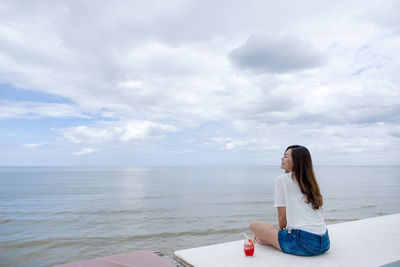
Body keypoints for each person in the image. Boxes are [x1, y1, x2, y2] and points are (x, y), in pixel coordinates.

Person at [249, 145, 330, 256]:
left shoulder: (282, 180)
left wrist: (274, 237)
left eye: (286, 156)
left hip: (303, 243)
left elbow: (282, 221)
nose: (282, 159)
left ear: (296, 161)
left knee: (254, 225)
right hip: (324, 242)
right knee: (269, 232)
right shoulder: (311, 182)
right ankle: (272, 241)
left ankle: (272, 242)